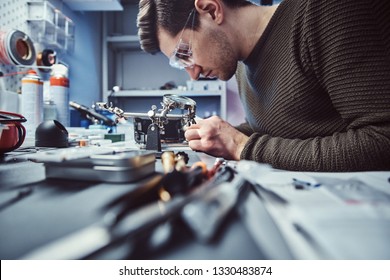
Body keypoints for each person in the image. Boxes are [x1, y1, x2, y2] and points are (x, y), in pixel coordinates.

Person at [137, 0, 390, 171]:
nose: (192, 75)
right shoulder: (240, 67)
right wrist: (222, 136)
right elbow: (282, 129)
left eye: (185, 54)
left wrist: (241, 146)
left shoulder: (324, 12)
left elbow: (381, 140)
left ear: (211, 10)